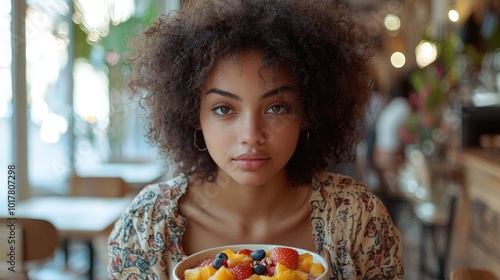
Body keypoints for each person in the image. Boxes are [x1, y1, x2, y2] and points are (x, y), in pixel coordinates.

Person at [107, 1, 404, 279]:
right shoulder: (145, 225)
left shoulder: (359, 219)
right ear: (193, 116)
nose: (251, 135)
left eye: (277, 107)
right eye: (224, 109)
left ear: (309, 111)